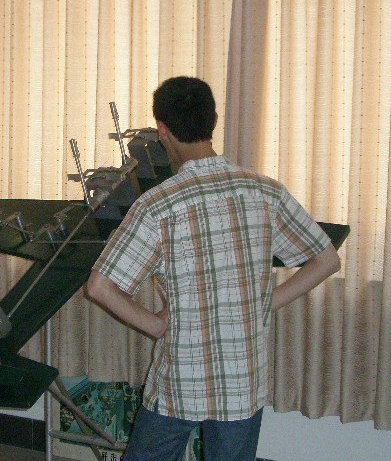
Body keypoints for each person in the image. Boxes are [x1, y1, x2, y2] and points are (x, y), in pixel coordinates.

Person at [86, 76, 341, 461]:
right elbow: (326, 259)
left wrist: (155, 325)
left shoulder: (158, 205)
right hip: (243, 380)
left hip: (179, 380)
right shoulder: (264, 191)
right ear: (214, 121)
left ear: (162, 130)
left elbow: (100, 287)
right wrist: (266, 302)